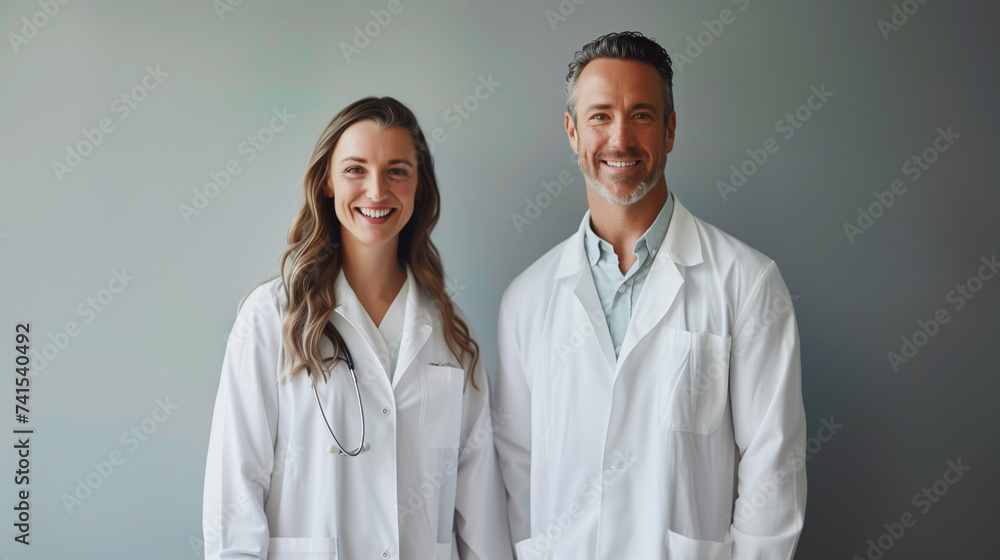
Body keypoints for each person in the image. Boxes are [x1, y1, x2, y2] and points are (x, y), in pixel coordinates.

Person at [493, 32, 807, 559]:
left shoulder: (747, 282)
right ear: (572, 132)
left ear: (670, 130)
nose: (620, 139)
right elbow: (515, 468)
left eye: (640, 115)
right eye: (599, 116)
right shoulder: (526, 300)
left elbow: (772, 467)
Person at [202, 97, 513, 560]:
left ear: (418, 186)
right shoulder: (271, 317)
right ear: (326, 181)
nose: (376, 190)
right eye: (355, 169)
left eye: (397, 171)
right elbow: (235, 496)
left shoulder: (451, 333)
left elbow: (480, 506)